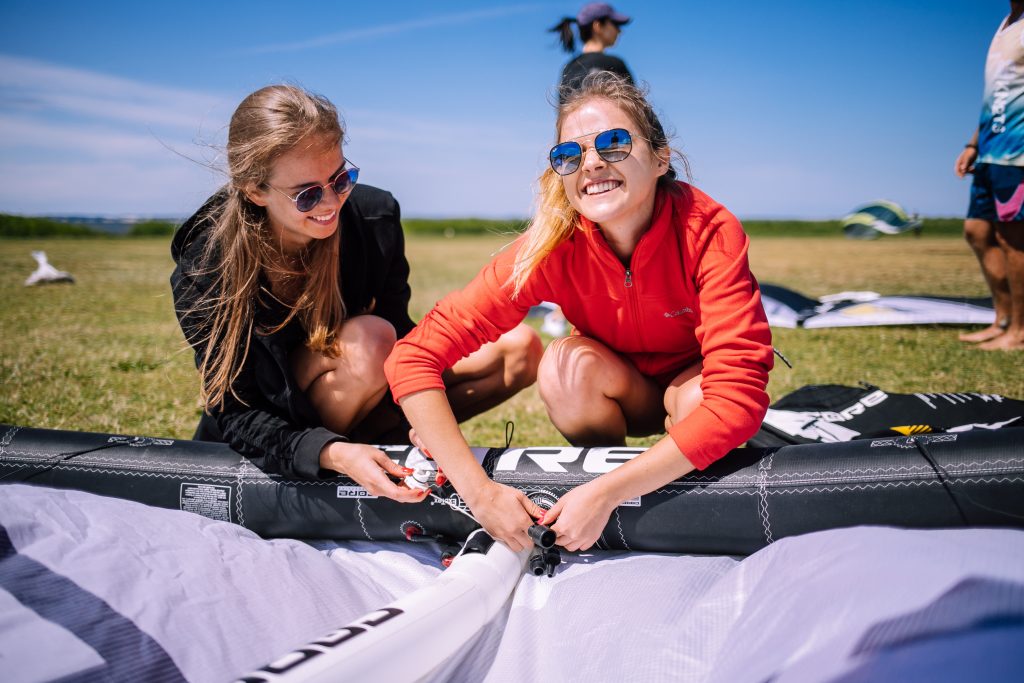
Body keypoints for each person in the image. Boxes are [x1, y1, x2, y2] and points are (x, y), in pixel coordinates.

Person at [384, 74, 774, 552]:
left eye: (613, 143)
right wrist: (479, 493)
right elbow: (413, 356)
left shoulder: (709, 229)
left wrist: (607, 493)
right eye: (569, 154)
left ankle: (627, 491)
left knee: (700, 403)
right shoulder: (551, 247)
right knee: (564, 368)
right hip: (616, 391)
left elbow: (737, 399)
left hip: (689, 386)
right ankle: (607, 477)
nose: (591, 163)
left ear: (660, 158)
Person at [171, 84, 542, 501]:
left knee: (519, 349)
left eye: (341, 179)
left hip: (369, 400)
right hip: (276, 435)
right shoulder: (208, 262)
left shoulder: (375, 217)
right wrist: (330, 452)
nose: (331, 203)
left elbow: (404, 339)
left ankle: (382, 449)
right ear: (255, 190)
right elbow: (237, 411)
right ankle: (344, 459)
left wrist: (422, 410)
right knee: (370, 342)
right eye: (307, 194)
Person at [955, 0, 1024, 351]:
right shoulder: (1005, 24)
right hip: (991, 150)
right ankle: (1003, 319)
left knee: (1014, 239)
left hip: (1018, 152)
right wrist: (973, 144)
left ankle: (1020, 331)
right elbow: (997, 97)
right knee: (977, 231)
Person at [550, 3, 634, 103]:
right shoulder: (615, 64)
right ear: (598, 26)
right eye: (615, 24)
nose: (620, 31)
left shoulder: (568, 68)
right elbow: (637, 111)